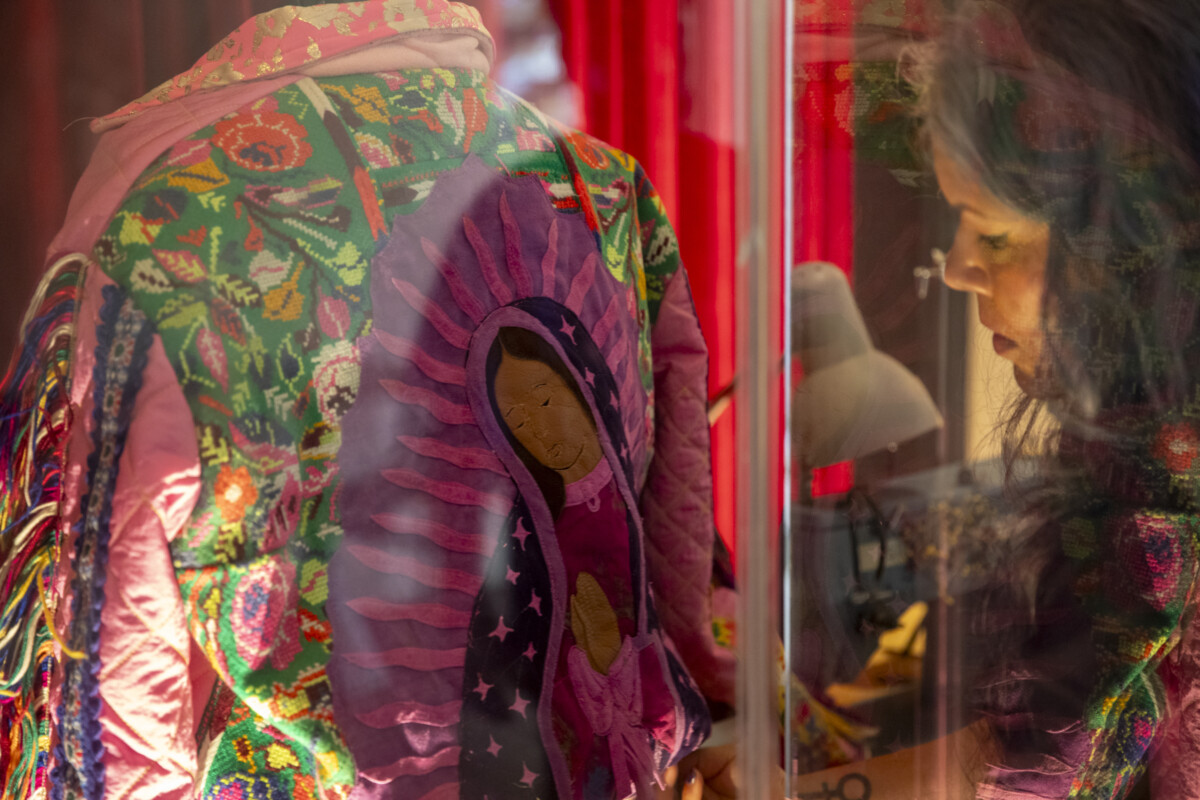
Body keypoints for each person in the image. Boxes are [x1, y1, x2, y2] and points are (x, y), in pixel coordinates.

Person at [0, 2, 736, 798]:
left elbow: (117, 618)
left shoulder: (179, 223)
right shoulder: (603, 183)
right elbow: (678, 518)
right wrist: (703, 666)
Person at [795, 0, 1200, 797]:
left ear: (1124, 252)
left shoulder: (1165, 495)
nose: (955, 267)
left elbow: (1035, 766)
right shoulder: (1136, 453)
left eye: (996, 235)